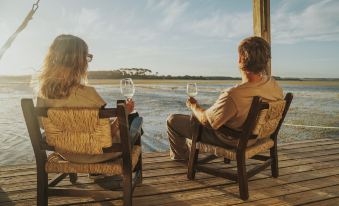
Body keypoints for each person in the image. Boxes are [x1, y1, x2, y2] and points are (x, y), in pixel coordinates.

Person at [167, 36, 284, 161]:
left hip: (233, 140)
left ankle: (182, 158)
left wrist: (194, 106)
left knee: (173, 120)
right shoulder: (273, 84)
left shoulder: (233, 95)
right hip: (259, 136)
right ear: (266, 60)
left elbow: (207, 121)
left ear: (240, 58)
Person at [37, 34, 136, 164]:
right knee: (135, 122)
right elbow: (105, 135)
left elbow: (42, 125)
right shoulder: (88, 94)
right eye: (87, 57)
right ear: (79, 61)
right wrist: (124, 115)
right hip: (97, 154)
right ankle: (123, 167)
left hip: (66, 153)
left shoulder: (43, 94)